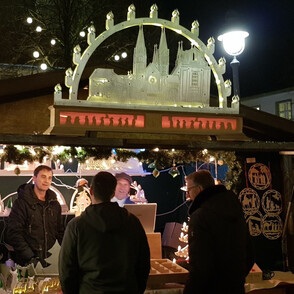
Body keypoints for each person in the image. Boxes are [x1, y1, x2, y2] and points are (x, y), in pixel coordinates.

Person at [59, 171, 150, 294]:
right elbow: (143, 264)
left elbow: (66, 269)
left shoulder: (76, 226)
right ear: (113, 193)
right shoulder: (133, 222)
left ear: (91, 191)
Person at [183, 170, 254, 294]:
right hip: (235, 287)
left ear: (199, 189)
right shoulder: (234, 209)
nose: (187, 195)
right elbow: (250, 251)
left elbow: (200, 265)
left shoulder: (200, 216)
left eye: (188, 191)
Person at [6, 165, 64, 267]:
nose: (46, 180)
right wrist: (31, 257)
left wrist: (64, 253)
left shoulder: (55, 204)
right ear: (34, 178)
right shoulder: (21, 203)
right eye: (43, 176)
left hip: (51, 259)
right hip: (27, 263)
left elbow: (60, 231)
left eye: (49, 178)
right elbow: (13, 233)